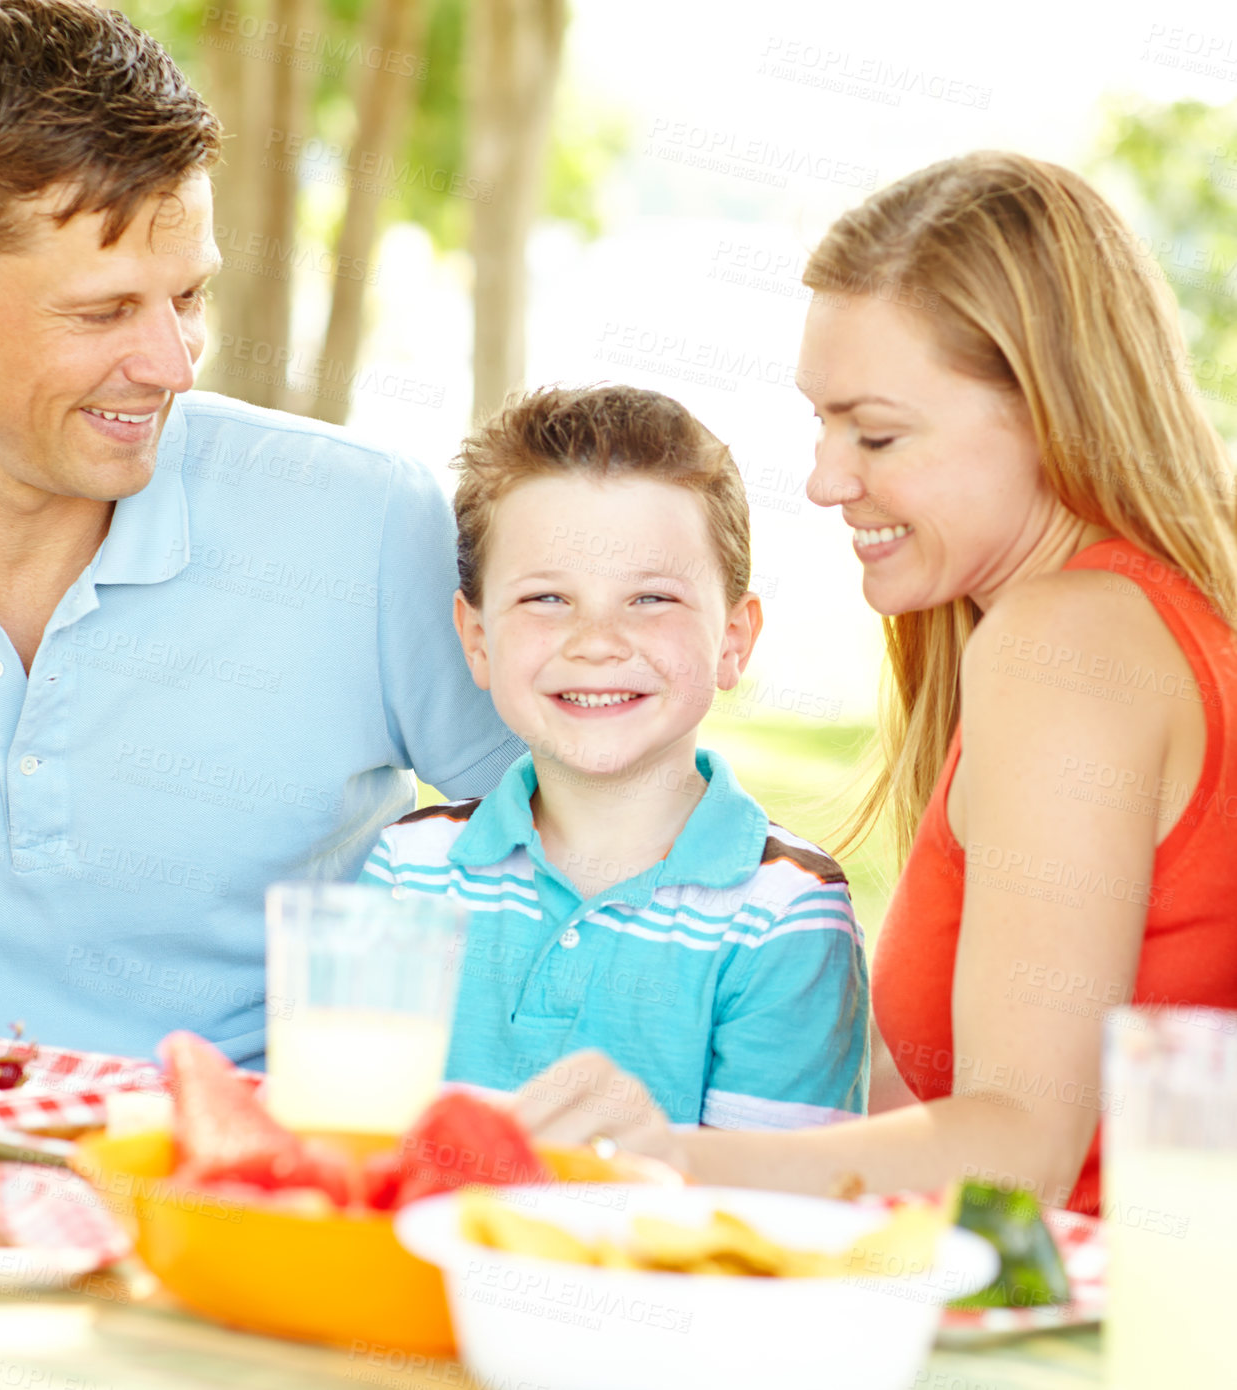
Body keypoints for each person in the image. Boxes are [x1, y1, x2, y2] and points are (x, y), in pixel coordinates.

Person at [509, 152, 1237, 1217]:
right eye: (821, 422)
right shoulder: (1152, 620)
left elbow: (1016, 1152)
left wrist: (655, 1160)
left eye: (877, 433)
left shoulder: (1064, 643)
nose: (823, 478)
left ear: (1047, 406)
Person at [0, 0, 521, 1063]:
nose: (175, 364)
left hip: (247, 1198)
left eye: (187, 297)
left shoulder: (363, 526)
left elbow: (591, 850)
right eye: (102, 312)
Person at [359, 385, 869, 1129]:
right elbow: (351, 1142)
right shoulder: (408, 870)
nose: (596, 640)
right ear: (477, 640)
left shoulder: (784, 913)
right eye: (546, 600)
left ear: (733, 638)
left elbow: (774, 1215)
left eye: (651, 600)